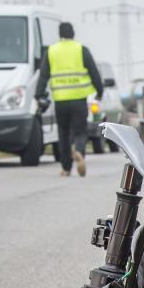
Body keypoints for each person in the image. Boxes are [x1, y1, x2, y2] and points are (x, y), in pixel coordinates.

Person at [35, 22, 104, 177]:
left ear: (60, 35)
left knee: (64, 134)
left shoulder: (51, 51)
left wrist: (38, 94)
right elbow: (94, 73)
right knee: (80, 131)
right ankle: (79, 152)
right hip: (79, 99)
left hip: (60, 100)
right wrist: (99, 92)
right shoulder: (81, 50)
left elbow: (43, 75)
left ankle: (66, 168)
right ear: (73, 33)